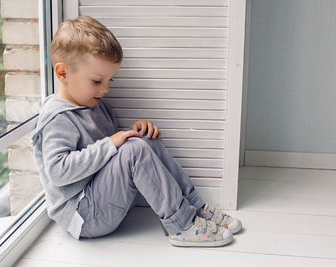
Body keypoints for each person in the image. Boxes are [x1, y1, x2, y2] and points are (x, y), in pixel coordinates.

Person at [31, 15, 242, 247]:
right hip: (84, 216)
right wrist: (113, 143)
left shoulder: (94, 105)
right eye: (97, 81)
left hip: (102, 201)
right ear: (62, 73)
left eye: (110, 80)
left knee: (142, 139)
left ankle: (194, 207)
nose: (106, 88)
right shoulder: (57, 117)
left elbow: (113, 155)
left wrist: (131, 133)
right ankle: (181, 225)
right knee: (133, 148)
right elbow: (58, 172)